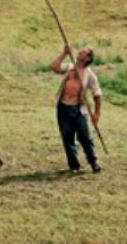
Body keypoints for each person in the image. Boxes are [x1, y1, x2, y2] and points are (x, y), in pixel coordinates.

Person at [51, 45, 103, 174]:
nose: (80, 52)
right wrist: (64, 53)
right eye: (81, 51)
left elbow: (97, 94)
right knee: (67, 137)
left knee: (85, 137)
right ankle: (74, 165)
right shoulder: (70, 67)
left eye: (84, 52)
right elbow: (55, 68)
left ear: (87, 58)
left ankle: (93, 162)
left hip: (79, 109)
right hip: (63, 107)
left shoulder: (90, 75)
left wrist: (97, 113)